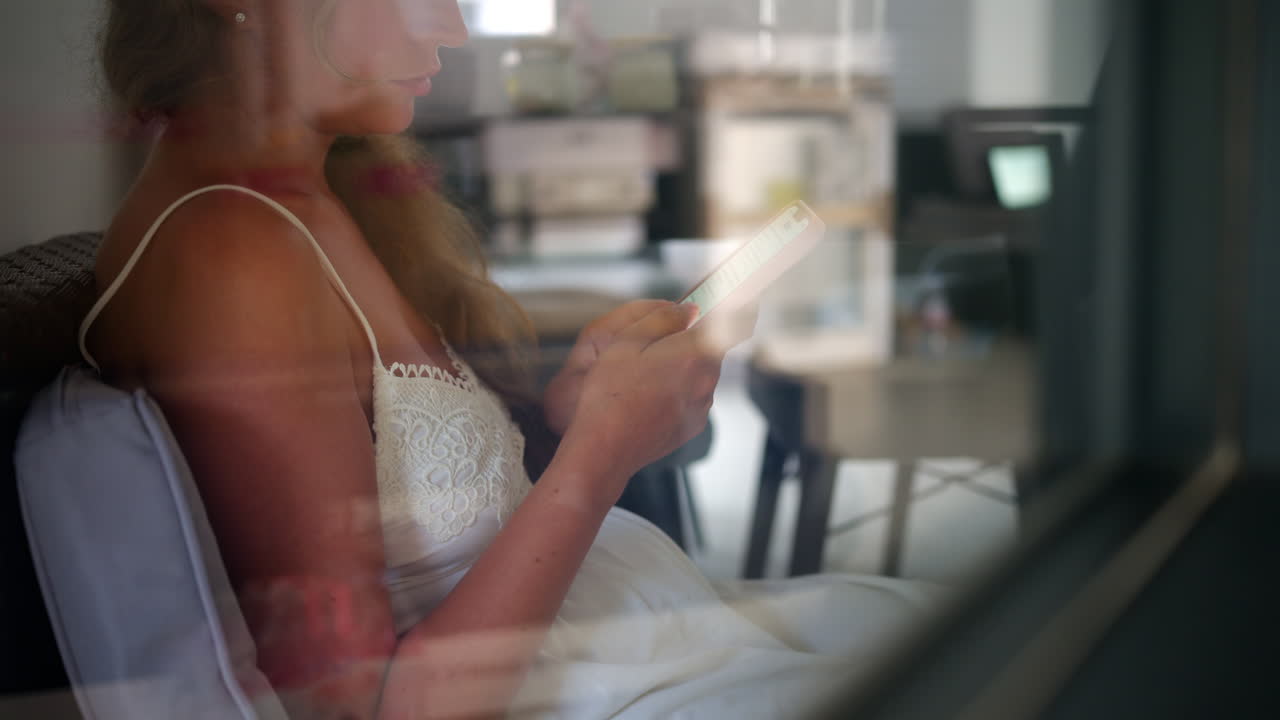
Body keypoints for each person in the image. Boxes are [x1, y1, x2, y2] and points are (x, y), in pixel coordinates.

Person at [82, 0, 938, 717]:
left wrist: (567, 411)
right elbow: (373, 706)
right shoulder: (232, 255)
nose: (451, 27)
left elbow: (408, 494)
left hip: (643, 639)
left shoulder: (311, 194)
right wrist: (600, 457)